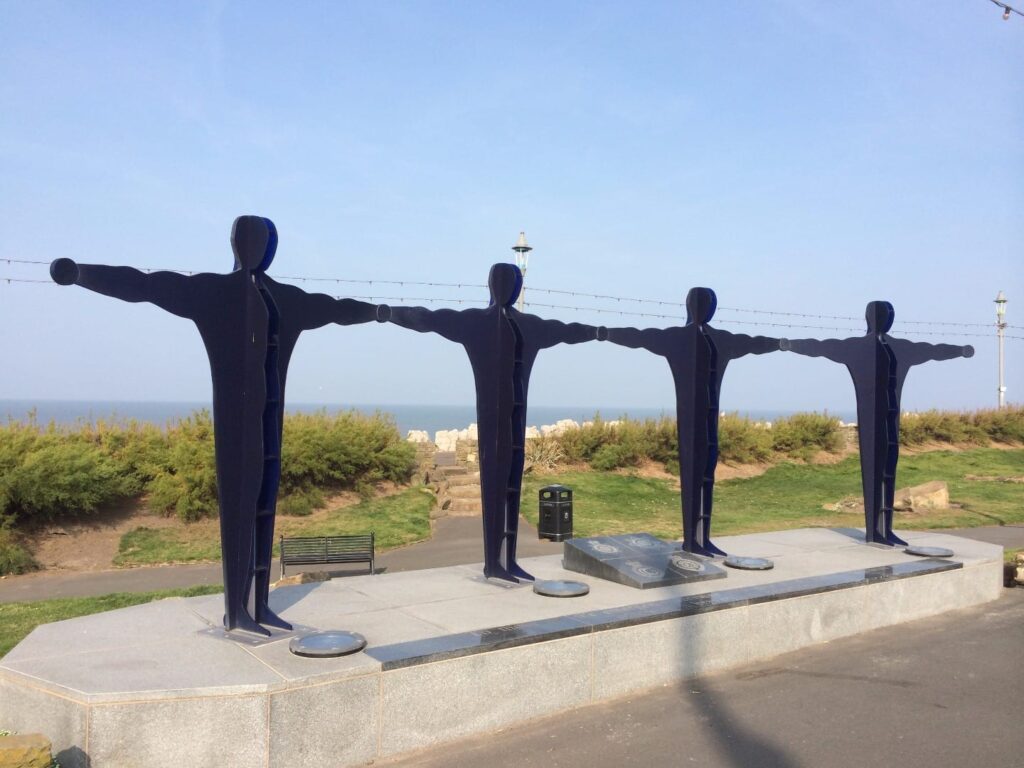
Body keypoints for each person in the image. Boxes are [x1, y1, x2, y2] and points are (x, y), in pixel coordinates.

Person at [50, 216, 383, 634]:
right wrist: (80, 274)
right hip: (236, 422)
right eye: (253, 240)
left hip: (269, 429)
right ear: (238, 244)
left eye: (264, 240)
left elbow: (334, 309)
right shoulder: (212, 290)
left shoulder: (283, 298)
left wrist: (378, 312)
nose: (257, 248)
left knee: (263, 507)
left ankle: (259, 605)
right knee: (239, 505)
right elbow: (144, 285)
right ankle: (236, 609)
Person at [384, 263, 599, 582]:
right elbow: (426, 318)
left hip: (514, 424)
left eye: (511, 282)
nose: (505, 287)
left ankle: (508, 560)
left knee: (511, 486)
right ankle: (493, 562)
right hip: (492, 424)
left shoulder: (525, 325)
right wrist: (386, 312)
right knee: (496, 485)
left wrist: (599, 333)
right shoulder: (475, 321)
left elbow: (567, 330)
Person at [601, 287, 780, 557]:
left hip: (708, 426)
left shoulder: (717, 339)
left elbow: (753, 342)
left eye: (707, 304)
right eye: (701, 304)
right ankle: (691, 539)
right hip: (690, 425)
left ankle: (702, 538)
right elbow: (638, 336)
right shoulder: (678, 337)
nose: (703, 309)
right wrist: (604, 333)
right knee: (695, 473)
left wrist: (782, 344)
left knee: (707, 475)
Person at [781, 301, 973, 545]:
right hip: (872, 424)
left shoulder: (896, 347)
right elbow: (821, 347)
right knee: (875, 467)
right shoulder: (860, 348)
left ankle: (885, 529)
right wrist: (791, 345)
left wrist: (960, 351)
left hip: (889, 424)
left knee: (888, 467)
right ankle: (875, 531)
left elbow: (932, 350)